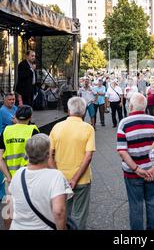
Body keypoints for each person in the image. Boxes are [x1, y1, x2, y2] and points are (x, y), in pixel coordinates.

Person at [49, 97, 96, 230]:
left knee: (63, 212)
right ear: (84, 111)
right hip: (82, 179)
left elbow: (49, 155)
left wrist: (58, 175)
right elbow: (88, 157)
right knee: (80, 214)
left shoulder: (57, 127)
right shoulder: (88, 128)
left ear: (69, 110)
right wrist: (75, 179)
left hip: (61, 179)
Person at [8, 134, 73, 230]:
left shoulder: (18, 174)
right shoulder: (55, 176)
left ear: (27, 153)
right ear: (48, 154)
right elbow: (59, 211)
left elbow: (8, 209)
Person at [117, 93, 154, 230]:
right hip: (152, 171)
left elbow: (122, 150)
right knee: (153, 202)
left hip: (132, 173)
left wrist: (136, 169)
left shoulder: (124, 123)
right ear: (145, 106)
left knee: (135, 205)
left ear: (130, 106)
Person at [0, 105, 39, 189]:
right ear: (30, 117)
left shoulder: (6, 131)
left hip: (10, 180)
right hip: (28, 179)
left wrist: (9, 178)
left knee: (11, 202)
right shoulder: (33, 130)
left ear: (15, 116)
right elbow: (38, 157)